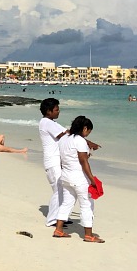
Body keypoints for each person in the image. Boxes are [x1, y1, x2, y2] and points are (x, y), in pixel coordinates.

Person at [54, 116, 104, 243]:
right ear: (85, 128)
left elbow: (68, 158)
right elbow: (83, 162)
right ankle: (88, 235)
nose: (87, 134)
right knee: (87, 205)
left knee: (67, 203)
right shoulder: (79, 140)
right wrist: (92, 179)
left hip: (65, 176)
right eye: (88, 131)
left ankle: (58, 229)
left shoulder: (64, 139)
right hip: (79, 178)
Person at [39, 98, 66, 227]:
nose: (58, 112)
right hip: (53, 162)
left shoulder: (51, 122)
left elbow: (67, 132)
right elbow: (64, 135)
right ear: (49, 111)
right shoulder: (46, 122)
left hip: (56, 161)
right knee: (58, 190)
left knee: (62, 189)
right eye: (56, 109)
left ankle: (60, 216)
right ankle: (52, 219)